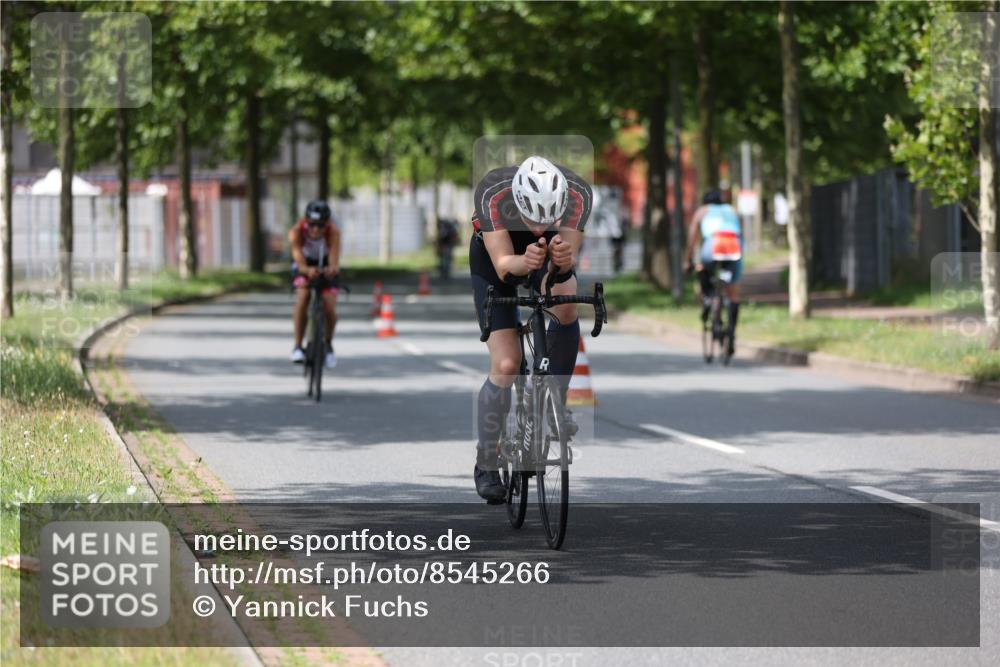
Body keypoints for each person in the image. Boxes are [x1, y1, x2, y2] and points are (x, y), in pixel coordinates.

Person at [469, 156, 593, 503]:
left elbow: (565, 262)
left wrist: (562, 259)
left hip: (545, 259)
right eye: (531, 219)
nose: (539, 228)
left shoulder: (578, 194)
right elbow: (505, 266)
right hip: (497, 259)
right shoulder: (494, 193)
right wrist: (524, 262)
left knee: (566, 304)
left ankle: (555, 402)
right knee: (507, 364)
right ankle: (487, 459)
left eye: (547, 219)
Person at [685, 190, 743, 357]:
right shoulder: (731, 210)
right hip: (734, 246)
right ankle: (731, 332)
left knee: (703, 270)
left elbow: (692, 238)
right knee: (732, 292)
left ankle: (709, 300)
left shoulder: (702, 211)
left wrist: (689, 261)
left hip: (713, 245)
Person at [289, 200, 341, 369]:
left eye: (320, 225)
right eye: (312, 224)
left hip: (324, 263)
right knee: (303, 296)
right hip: (304, 264)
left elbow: (334, 258)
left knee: (329, 304)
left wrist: (331, 269)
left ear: (327, 223)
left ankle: (328, 344)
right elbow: (297, 256)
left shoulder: (333, 232)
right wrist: (306, 270)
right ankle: (298, 346)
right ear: (306, 221)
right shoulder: (297, 231)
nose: (316, 229)